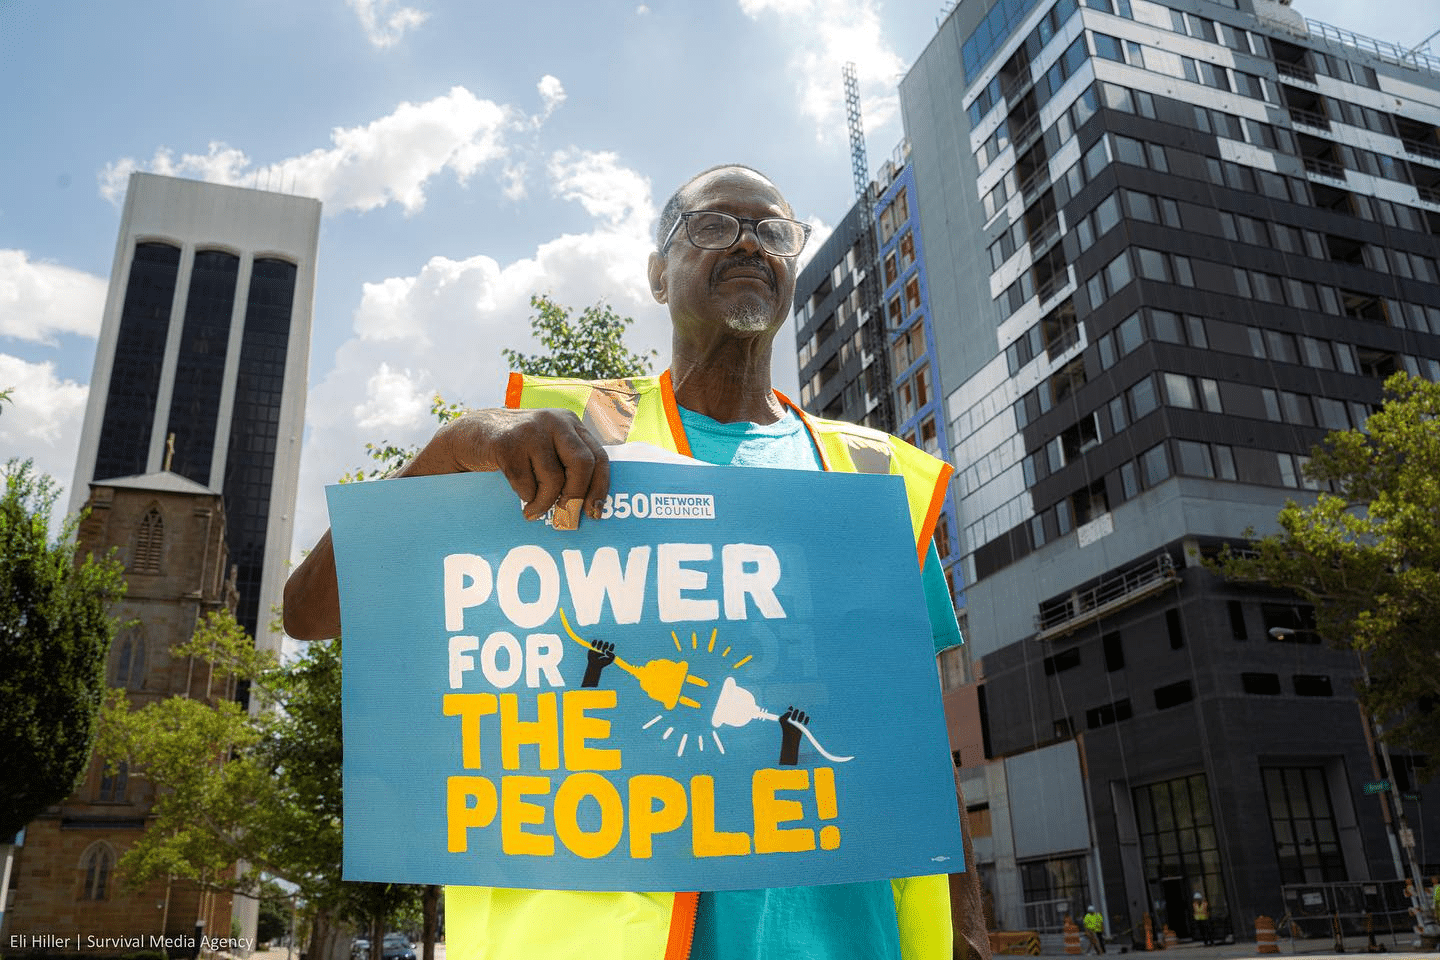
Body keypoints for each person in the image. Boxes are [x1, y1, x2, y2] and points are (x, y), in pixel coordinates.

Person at [285, 164, 987, 960]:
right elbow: (308, 614)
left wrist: (967, 934)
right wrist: (459, 442)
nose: (750, 241)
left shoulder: (874, 478)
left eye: (774, 231)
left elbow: (919, 738)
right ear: (659, 275)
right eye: (714, 226)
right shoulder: (557, 441)